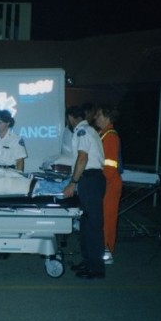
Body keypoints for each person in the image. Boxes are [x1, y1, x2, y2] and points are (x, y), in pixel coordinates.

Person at [62, 105, 106, 279]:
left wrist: (73, 183)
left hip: (90, 179)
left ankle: (96, 268)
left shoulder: (82, 131)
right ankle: (88, 262)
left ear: (71, 118)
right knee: (86, 225)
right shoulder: (87, 130)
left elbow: (82, 158)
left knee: (93, 226)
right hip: (90, 179)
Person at [95, 104, 123, 265]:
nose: (96, 118)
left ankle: (107, 252)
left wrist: (101, 184)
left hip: (109, 184)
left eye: (99, 115)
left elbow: (110, 165)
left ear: (107, 117)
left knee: (107, 219)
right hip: (106, 183)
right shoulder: (103, 134)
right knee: (102, 218)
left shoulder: (110, 136)